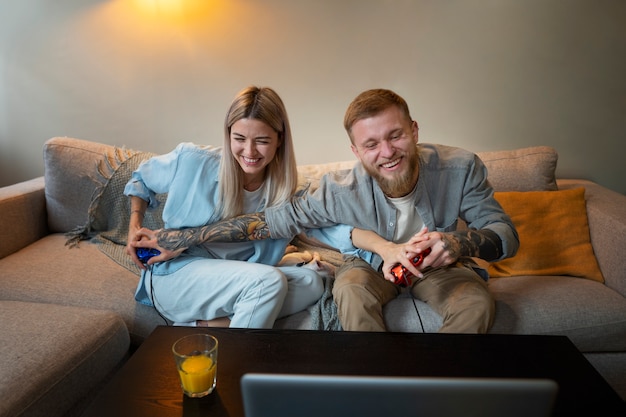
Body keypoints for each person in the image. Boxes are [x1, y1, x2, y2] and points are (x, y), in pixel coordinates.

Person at [134, 88, 519, 334]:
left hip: (439, 265)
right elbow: (269, 223)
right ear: (355, 151)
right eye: (371, 144)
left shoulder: (461, 167)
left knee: (476, 300)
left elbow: (504, 233)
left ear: (414, 130)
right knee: (346, 289)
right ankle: (375, 392)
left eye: (395, 136)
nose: (386, 152)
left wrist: (457, 242)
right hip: (366, 266)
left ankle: (437, 396)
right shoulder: (337, 188)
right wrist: (181, 238)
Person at [124, 86, 357, 329]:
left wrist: (384, 249)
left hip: (243, 277)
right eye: (239, 139)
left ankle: (208, 326)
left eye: (262, 141)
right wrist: (134, 225)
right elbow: (140, 178)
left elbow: (335, 230)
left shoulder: (291, 191)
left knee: (311, 281)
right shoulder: (193, 160)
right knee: (269, 281)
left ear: (280, 140)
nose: (249, 152)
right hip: (176, 273)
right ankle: (235, 363)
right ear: (228, 135)